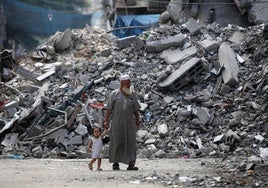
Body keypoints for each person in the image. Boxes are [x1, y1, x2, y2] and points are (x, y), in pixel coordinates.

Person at [104, 74, 141, 170]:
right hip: (117, 123)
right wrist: (106, 121)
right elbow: (109, 109)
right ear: (122, 83)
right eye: (127, 83)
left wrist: (137, 120)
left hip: (130, 123)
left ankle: (131, 164)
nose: (129, 84)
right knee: (117, 142)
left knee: (131, 143)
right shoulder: (114, 94)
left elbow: (136, 110)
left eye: (129, 82)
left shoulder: (132, 94)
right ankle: (115, 163)